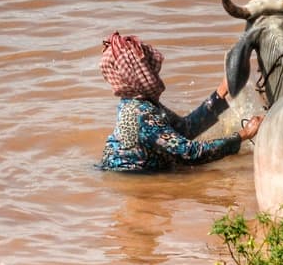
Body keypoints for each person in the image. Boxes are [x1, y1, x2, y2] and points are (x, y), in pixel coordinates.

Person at [98, 31, 262, 172]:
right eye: (148, 67)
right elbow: (189, 153)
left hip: (130, 174)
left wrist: (221, 92)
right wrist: (242, 135)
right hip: (133, 178)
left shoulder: (137, 104)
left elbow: (184, 129)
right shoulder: (142, 114)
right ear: (138, 75)